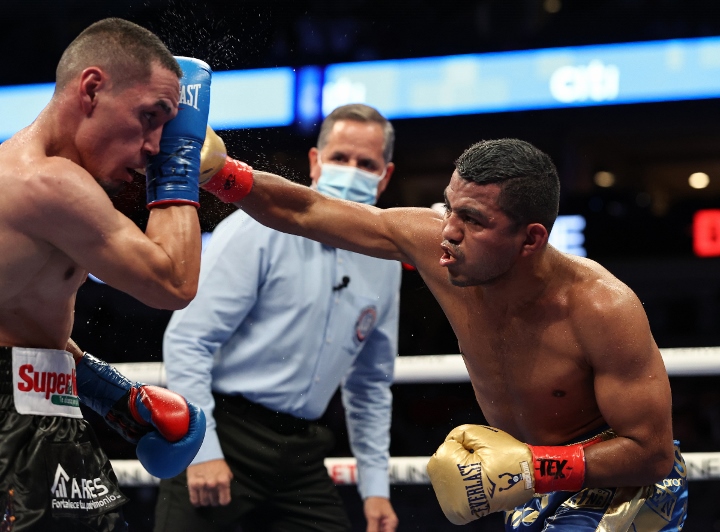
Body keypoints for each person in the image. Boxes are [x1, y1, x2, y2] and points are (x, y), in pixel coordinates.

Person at [197, 137, 688, 530]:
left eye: (473, 220)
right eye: (451, 208)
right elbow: (308, 211)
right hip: (526, 478)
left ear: (531, 238)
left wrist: (532, 466)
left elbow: (651, 454)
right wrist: (221, 175)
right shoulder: (435, 245)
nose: (449, 231)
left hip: (623, 486)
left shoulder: (601, 307)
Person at [0, 18, 216, 531]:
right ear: (92, 89)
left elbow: (22, 316)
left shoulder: (49, 182)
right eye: (149, 117)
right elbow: (173, 283)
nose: (154, 145)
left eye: (166, 129)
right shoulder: (46, 183)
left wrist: (108, 392)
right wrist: (177, 166)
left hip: (38, 412)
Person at [154, 104, 401, 532]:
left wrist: (376, 487)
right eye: (340, 157)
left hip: (302, 451)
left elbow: (370, 384)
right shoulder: (259, 228)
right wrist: (202, 450)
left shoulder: (386, 259)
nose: (351, 171)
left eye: (366, 164)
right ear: (315, 162)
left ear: (385, 176)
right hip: (224, 429)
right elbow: (188, 339)